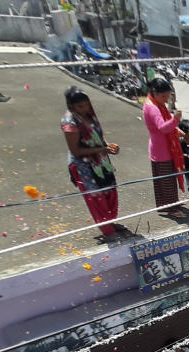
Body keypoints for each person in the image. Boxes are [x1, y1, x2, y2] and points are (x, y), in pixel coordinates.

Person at [61, 85, 127, 243]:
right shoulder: (70, 123)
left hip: (102, 161)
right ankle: (107, 231)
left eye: (87, 105)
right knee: (97, 199)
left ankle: (110, 223)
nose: (85, 109)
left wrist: (109, 146)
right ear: (71, 106)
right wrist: (102, 149)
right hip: (85, 167)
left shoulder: (90, 115)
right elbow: (76, 151)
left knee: (110, 192)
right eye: (80, 106)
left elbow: (98, 136)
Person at [143, 78, 188, 219]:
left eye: (167, 97)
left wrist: (176, 130)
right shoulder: (153, 107)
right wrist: (176, 120)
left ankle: (167, 204)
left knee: (163, 181)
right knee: (167, 182)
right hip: (162, 152)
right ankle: (173, 208)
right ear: (155, 92)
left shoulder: (155, 103)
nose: (165, 100)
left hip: (159, 148)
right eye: (163, 96)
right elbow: (162, 128)